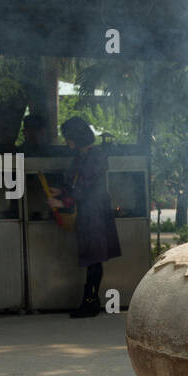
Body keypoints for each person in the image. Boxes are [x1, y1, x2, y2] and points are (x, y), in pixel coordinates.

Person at [54, 117, 120, 317]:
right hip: (89, 212)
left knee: (94, 257)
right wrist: (61, 193)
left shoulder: (95, 156)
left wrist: (64, 201)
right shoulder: (83, 156)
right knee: (93, 258)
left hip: (95, 213)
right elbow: (76, 185)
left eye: (68, 137)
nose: (67, 141)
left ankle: (90, 302)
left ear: (77, 137)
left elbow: (84, 187)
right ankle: (90, 300)